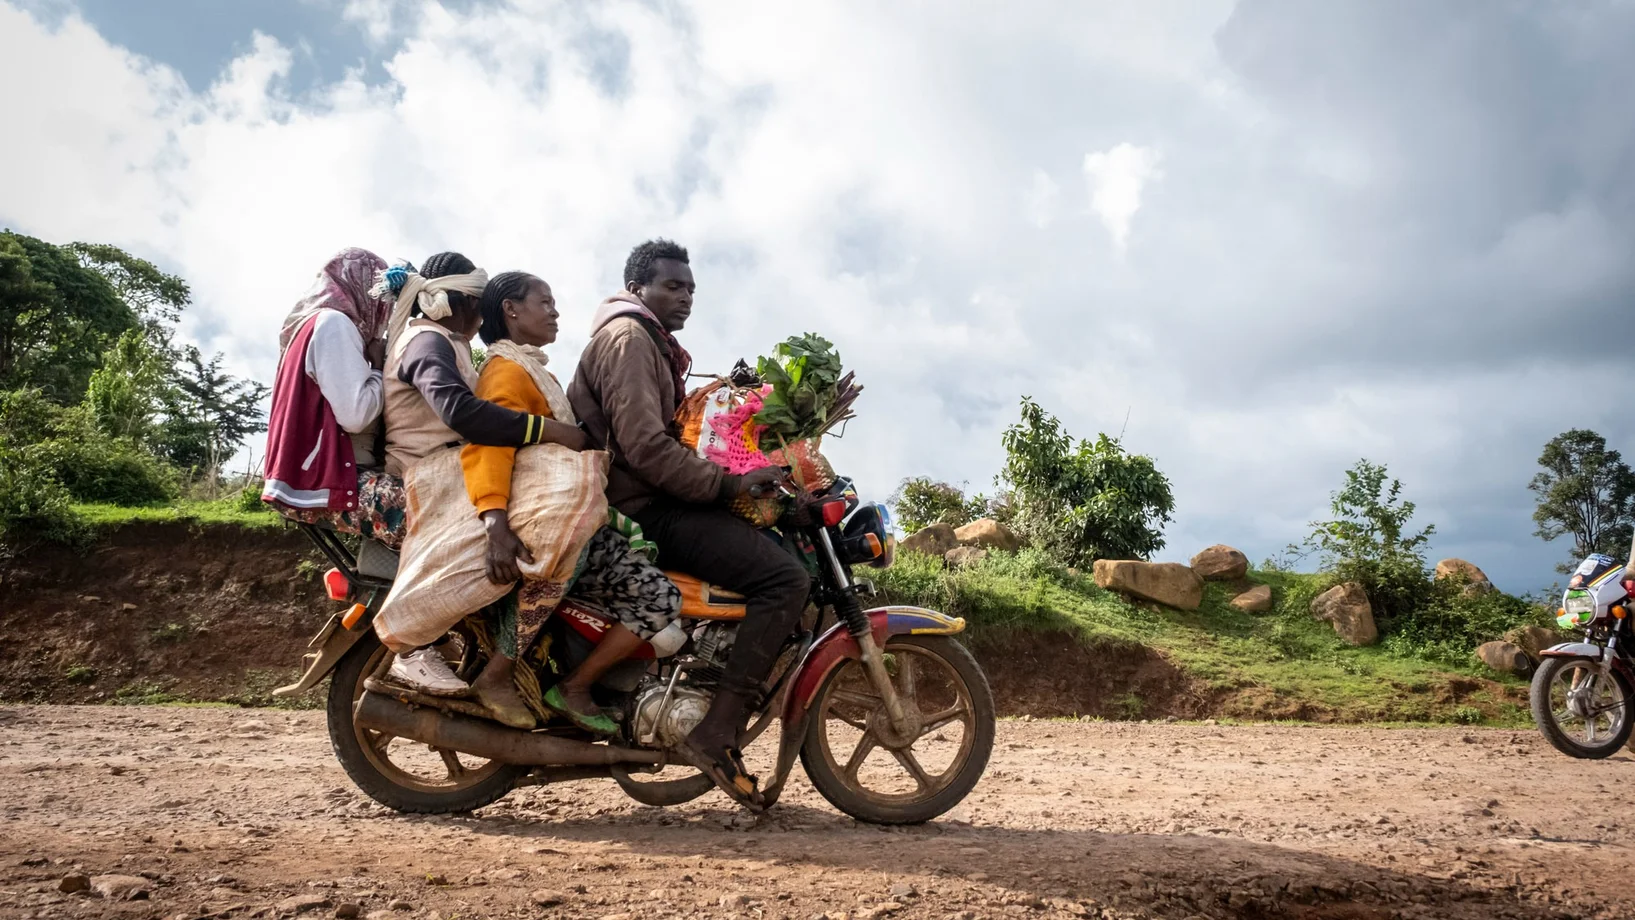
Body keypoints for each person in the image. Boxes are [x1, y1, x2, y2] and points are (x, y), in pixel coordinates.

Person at [568, 239, 807, 809]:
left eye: (691, 288)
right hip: (644, 508)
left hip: (653, 497)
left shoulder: (650, 342)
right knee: (786, 580)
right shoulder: (629, 340)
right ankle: (715, 731)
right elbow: (646, 450)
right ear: (638, 289)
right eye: (673, 286)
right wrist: (726, 485)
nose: (686, 297)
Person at [461, 271, 683, 732]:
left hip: (560, 515)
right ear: (511, 310)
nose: (556, 311)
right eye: (545, 302)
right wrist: (494, 523)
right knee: (659, 597)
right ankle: (568, 686)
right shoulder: (507, 371)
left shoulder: (530, 369)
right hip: (545, 523)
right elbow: (488, 444)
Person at [377, 251, 564, 697]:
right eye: (477, 303)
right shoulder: (425, 342)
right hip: (421, 481)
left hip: (445, 478)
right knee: (537, 547)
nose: (482, 316)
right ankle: (414, 646)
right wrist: (545, 429)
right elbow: (460, 412)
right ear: (453, 301)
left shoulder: (447, 344)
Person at [263, 248, 408, 546]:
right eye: (380, 297)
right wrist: (379, 366)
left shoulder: (311, 325)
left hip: (312, 477)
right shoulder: (334, 325)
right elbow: (356, 416)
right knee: (432, 511)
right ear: (362, 288)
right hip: (323, 480)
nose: (383, 309)